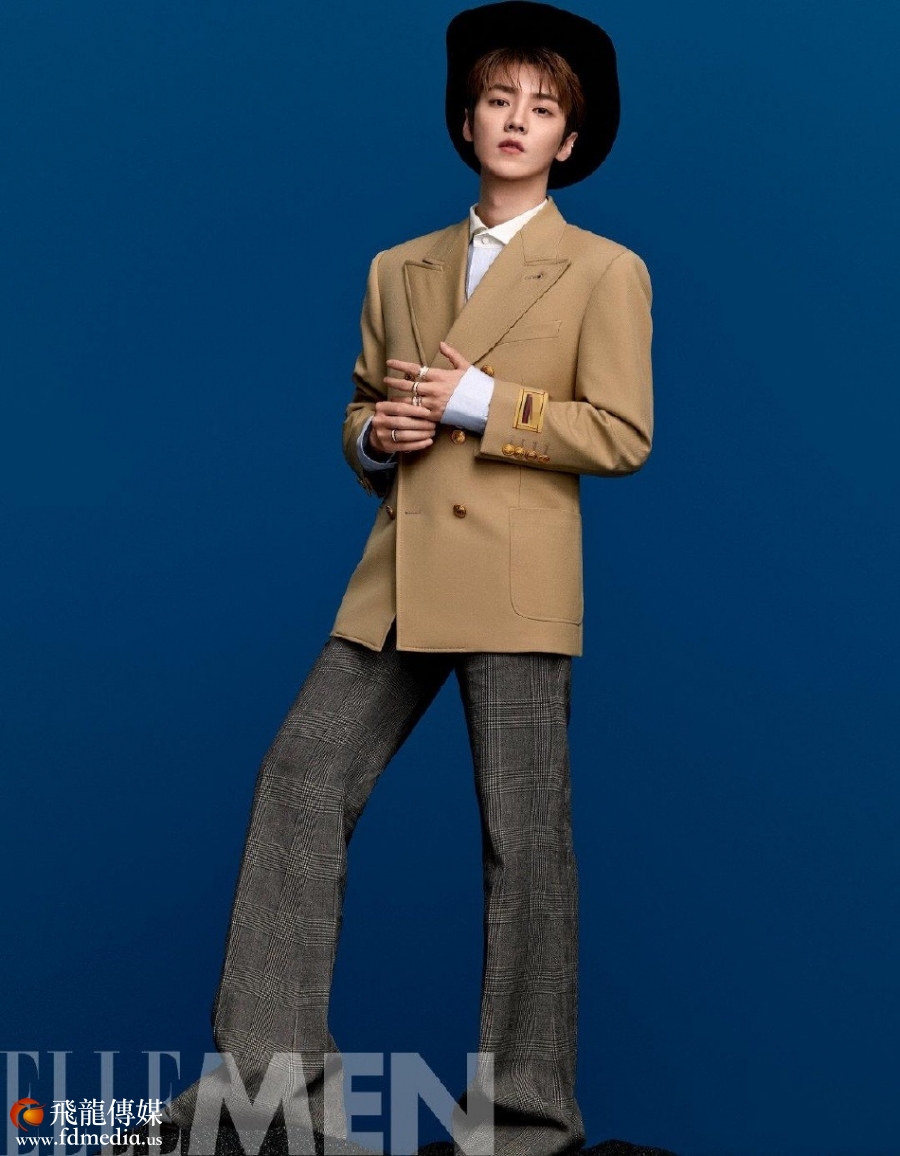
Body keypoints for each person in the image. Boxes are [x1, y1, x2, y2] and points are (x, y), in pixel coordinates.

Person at [159, 3, 653, 1154]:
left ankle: (527, 1112)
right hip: (400, 574)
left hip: (516, 584)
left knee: (523, 846)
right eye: (498, 99)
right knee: (299, 779)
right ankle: (269, 1094)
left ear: (571, 138)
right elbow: (358, 412)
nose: (517, 120)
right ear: (465, 119)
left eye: (543, 107)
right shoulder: (399, 267)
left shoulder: (604, 269)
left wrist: (481, 404)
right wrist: (377, 437)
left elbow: (623, 432)